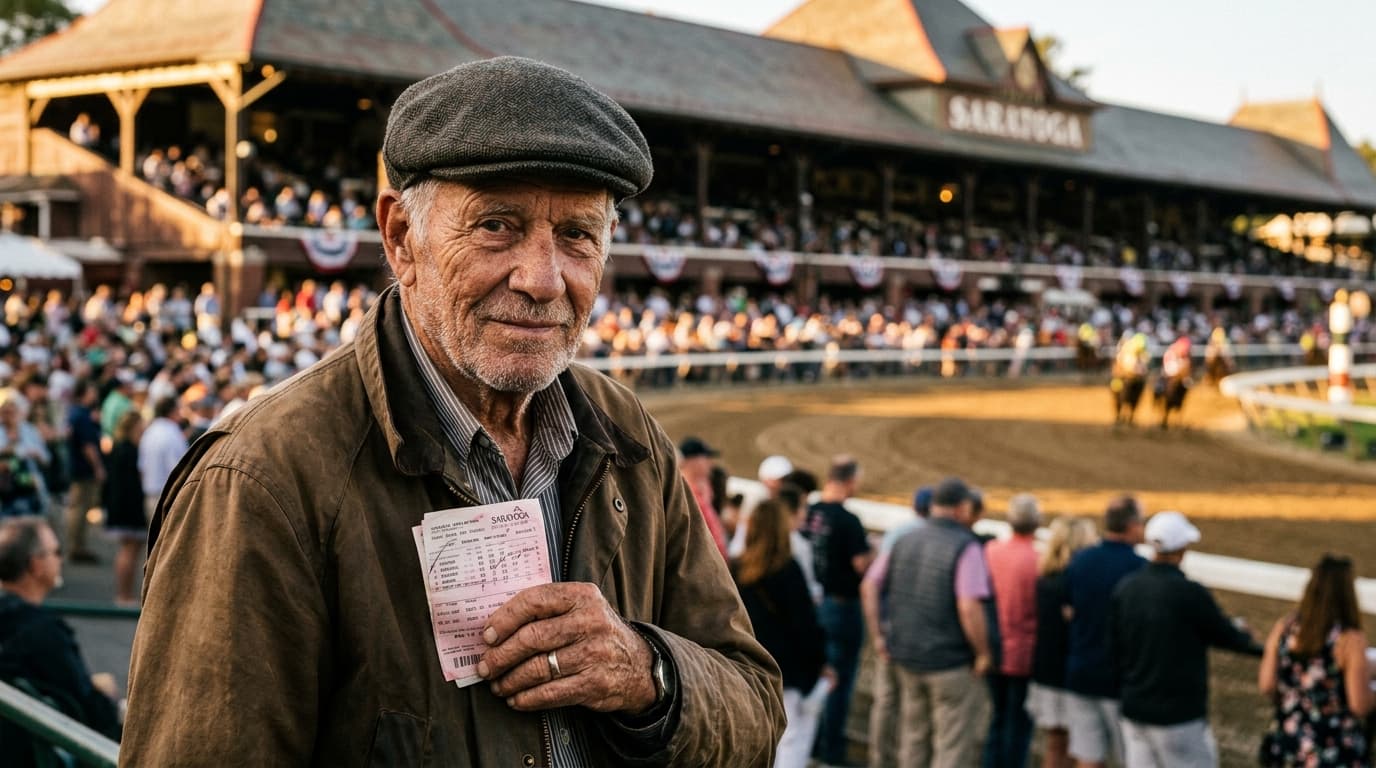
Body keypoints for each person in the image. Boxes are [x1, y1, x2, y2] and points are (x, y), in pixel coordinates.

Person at [121, 57, 785, 766]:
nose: (542, 280)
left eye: (577, 236)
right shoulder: (260, 480)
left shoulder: (627, 432)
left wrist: (648, 673)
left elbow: (756, 705)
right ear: (401, 238)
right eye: (497, 225)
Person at [1110, 511, 1261, 767]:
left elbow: (1113, 645)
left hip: (1135, 710)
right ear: (1181, 549)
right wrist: (1256, 643)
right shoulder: (1189, 593)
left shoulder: (1127, 588)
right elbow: (1226, 635)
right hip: (1178, 715)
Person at [875, 477, 993, 768]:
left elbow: (871, 586)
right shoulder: (966, 546)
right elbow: (969, 607)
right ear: (962, 507)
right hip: (948, 662)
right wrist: (983, 652)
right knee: (950, 745)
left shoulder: (905, 539)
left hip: (907, 655)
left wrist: (880, 634)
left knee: (914, 737)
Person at [0, 518, 120, 745]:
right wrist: (105, 695)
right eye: (56, 552)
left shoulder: (16, 621)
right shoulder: (42, 631)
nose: (61, 559)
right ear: (36, 565)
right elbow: (90, 708)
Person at [732, 498, 828, 768]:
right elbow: (805, 625)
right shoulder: (788, 570)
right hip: (785, 669)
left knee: (746, 739)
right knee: (789, 740)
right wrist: (820, 663)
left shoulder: (734, 568)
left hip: (744, 666)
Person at [1259, 554, 1372, 767]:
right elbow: (1359, 705)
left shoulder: (1285, 628)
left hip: (1287, 744)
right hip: (1332, 749)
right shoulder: (1349, 640)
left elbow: (1267, 684)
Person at [1063, 495, 1147, 768]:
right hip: (1118, 680)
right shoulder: (1139, 569)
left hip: (1081, 671)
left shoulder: (1080, 560)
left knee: (1087, 757)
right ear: (1132, 526)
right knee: (1130, 758)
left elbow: (1067, 610)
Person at [806, 455, 873, 766]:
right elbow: (861, 565)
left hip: (813, 604)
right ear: (850, 482)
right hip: (841, 607)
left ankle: (812, 743)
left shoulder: (810, 512)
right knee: (839, 681)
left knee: (816, 676)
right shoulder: (848, 520)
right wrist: (873, 553)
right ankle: (831, 751)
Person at [861, 484, 932, 768]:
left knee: (886, 701)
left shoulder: (898, 533)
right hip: (917, 633)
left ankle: (878, 760)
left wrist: (877, 631)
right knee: (914, 708)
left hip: (891, 627)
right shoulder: (929, 537)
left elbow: (873, 584)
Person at [1028, 517, 1099, 768]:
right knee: (1080, 749)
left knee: (1055, 744)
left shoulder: (1045, 580)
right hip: (1071, 676)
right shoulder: (1077, 585)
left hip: (1046, 672)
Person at [983, 493, 1042, 768]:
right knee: (1018, 725)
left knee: (998, 717)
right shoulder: (1038, 560)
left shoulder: (991, 551)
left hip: (993, 647)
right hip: (1023, 655)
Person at [102, 410, 145, 606]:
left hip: (121, 504)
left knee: (130, 550)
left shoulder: (121, 447)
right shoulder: (127, 450)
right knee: (129, 549)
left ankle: (125, 594)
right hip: (127, 505)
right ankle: (123, 595)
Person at [63, 380, 104, 563]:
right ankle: (76, 547)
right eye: (91, 391)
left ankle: (77, 545)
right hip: (82, 469)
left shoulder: (78, 413)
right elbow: (88, 446)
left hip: (78, 467)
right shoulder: (81, 415)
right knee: (79, 509)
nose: (94, 394)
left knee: (79, 508)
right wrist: (98, 467)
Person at [0, 391, 51, 518]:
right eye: (6, 412)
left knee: (37, 520)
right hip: (5, 486)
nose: (9, 416)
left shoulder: (29, 431)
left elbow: (46, 458)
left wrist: (35, 455)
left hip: (30, 484)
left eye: (12, 412)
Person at [678, 435, 730, 558]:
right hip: (704, 561)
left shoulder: (700, 490)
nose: (710, 463)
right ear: (692, 461)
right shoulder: (685, 494)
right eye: (706, 458)